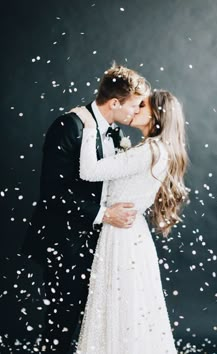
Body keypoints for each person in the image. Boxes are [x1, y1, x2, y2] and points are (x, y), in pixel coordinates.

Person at [20, 64, 151, 353]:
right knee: (61, 320)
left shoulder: (114, 132)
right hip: (64, 241)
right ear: (115, 103)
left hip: (99, 241)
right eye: (134, 105)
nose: (137, 111)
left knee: (92, 319)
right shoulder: (68, 126)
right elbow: (52, 194)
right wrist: (105, 214)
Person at [69, 89, 189, 354]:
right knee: (130, 308)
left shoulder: (148, 151)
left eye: (142, 106)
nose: (134, 109)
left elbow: (89, 171)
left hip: (121, 235)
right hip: (132, 233)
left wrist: (89, 127)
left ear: (157, 115)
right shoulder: (158, 149)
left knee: (119, 306)